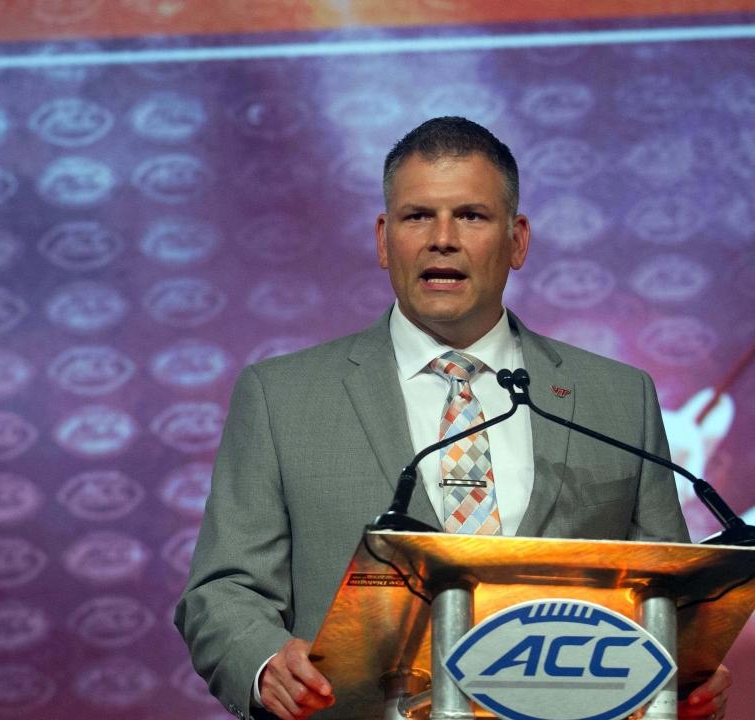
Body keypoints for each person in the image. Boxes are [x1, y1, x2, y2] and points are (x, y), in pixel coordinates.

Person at [174, 117, 730, 720]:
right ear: (384, 239)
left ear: (517, 241)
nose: (442, 239)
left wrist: (689, 671)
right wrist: (264, 663)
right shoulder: (282, 397)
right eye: (418, 216)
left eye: (471, 215)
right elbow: (224, 590)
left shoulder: (618, 398)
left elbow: (670, 598)